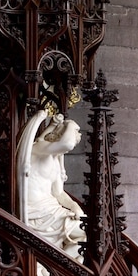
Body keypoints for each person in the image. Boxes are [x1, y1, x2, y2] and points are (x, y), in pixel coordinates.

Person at [16, 108, 86, 263]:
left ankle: (66, 268)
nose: (75, 141)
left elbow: (59, 193)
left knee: (88, 236)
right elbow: (66, 144)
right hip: (37, 212)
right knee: (87, 234)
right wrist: (70, 124)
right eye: (75, 135)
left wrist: (75, 206)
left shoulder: (55, 159)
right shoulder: (36, 149)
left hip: (51, 210)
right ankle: (63, 267)